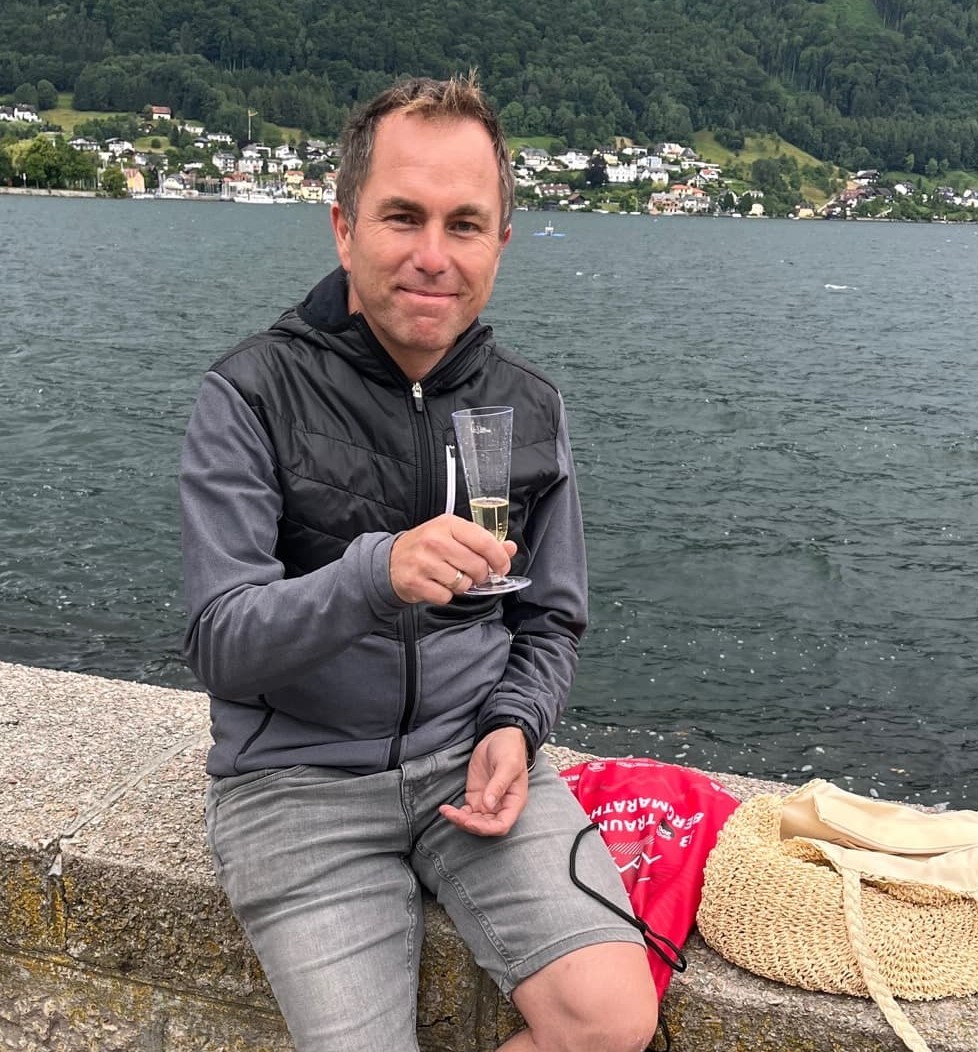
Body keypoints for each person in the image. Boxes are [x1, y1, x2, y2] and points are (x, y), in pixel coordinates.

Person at [180, 73, 658, 1052]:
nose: (433, 256)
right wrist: (373, 574)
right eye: (403, 216)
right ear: (343, 227)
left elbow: (550, 617)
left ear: (500, 244)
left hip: (471, 763)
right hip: (295, 786)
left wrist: (516, 724)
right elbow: (220, 641)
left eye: (464, 224)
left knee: (612, 1021)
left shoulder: (530, 405)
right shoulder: (250, 393)